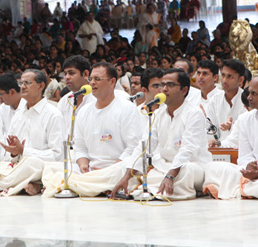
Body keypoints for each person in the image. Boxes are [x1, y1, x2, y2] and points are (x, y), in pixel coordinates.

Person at [42, 63, 142, 197]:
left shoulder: (127, 108)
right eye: (91, 79)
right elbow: (80, 147)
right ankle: (91, 184)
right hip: (90, 169)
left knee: (123, 171)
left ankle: (77, 185)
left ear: (112, 82)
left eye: (97, 79)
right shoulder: (84, 112)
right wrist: (84, 165)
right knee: (51, 168)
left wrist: (111, 167)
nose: (92, 83)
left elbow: (132, 148)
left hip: (116, 167)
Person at [111, 69, 213, 200]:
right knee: (129, 167)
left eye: (170, 85)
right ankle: (150, 188)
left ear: (184, 90)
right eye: (162, 85)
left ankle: (152, 189)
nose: (164, 89)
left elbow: (188, 150)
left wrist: (170, 176)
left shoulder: (194, 113)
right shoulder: (158, 114)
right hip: (165, 166)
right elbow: (145, 146)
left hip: (193, 166)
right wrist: (127, 177)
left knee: (187, 170)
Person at [205, 60, 247, 147]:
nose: (224, 80)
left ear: (240, 80)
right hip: (217, 151)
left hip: (240, 150)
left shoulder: (247, 101)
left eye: (230, 77)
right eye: (223, 75)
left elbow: (245, 133)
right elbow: (209, 129)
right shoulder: (213, 101)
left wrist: (231, 127)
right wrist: (214, 141)